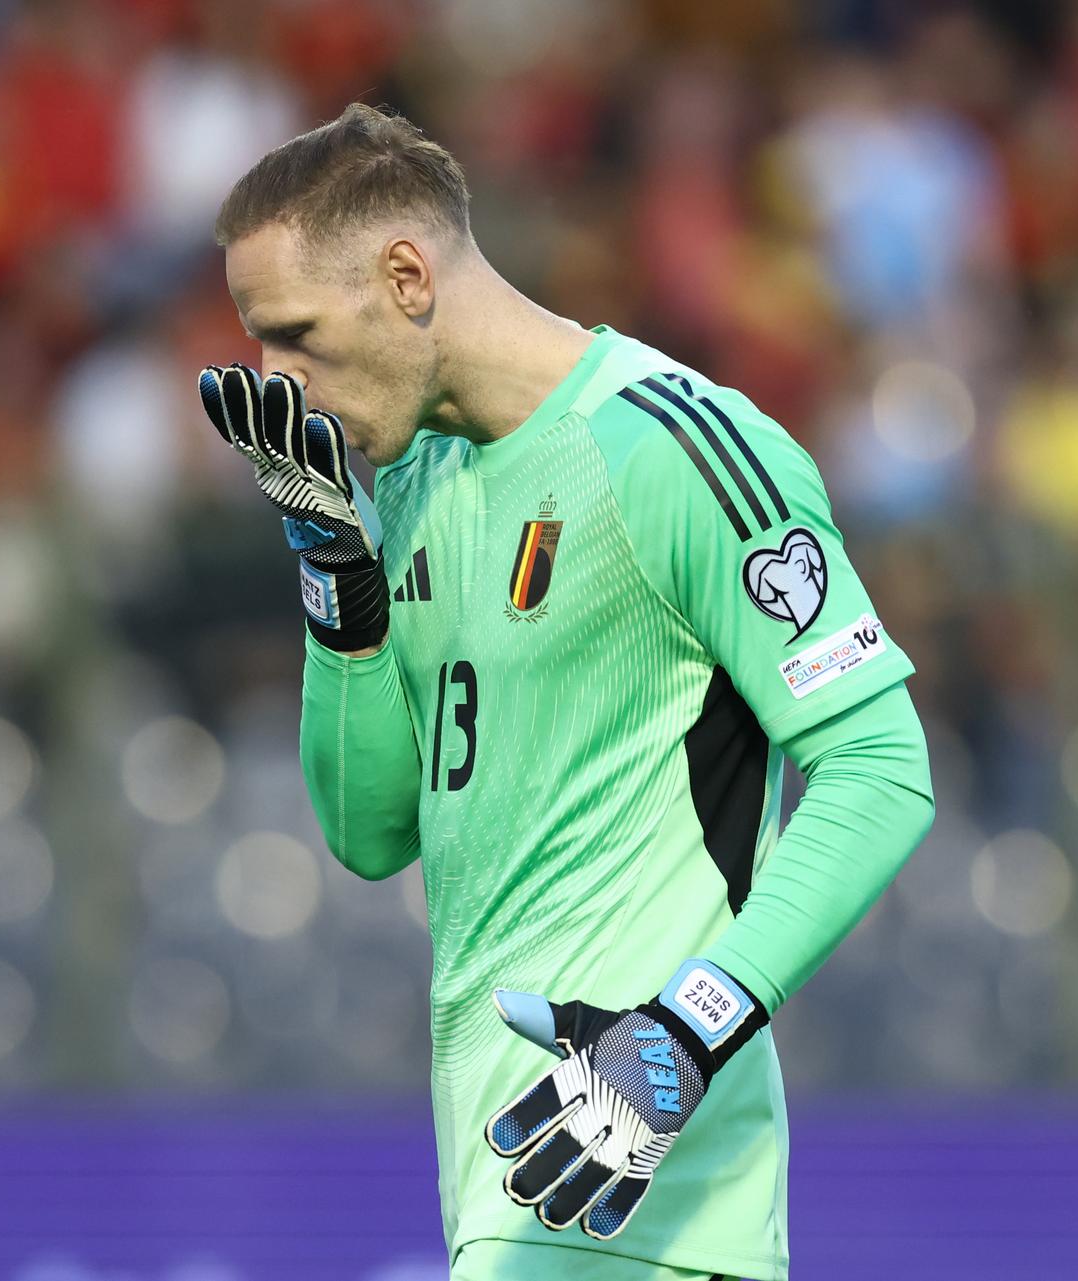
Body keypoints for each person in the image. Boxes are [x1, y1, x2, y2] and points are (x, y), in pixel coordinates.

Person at [197, 103, 934, 1281]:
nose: (274, 382)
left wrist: (684, 1033)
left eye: (293, 335)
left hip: (651, 1201)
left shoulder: (676, 448)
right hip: (518, 1198)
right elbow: (369, 832)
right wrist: (338, 571)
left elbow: (881, 771)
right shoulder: (416, 482)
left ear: (405, 276)